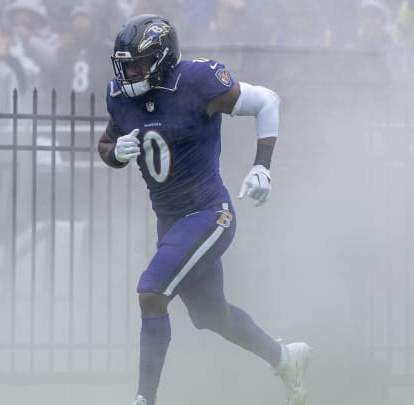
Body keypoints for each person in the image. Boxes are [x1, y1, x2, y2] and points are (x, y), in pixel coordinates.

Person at [96, 14, 312, 405]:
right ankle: (285, 358)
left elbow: (267, 101)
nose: (129, 73)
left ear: (162, 60)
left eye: (138, 65)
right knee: (213, 316)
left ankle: (144, 399)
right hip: (169, 220)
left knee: (151, 292)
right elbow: (105, 144)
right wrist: (116, 154)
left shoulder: (197, 82)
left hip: (209, 213)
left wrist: (262, 165)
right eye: (125, 65)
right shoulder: (120, 94)